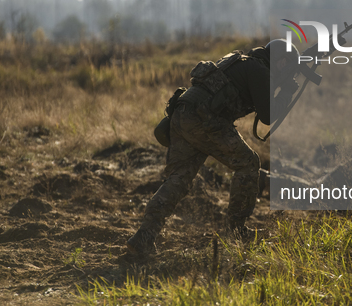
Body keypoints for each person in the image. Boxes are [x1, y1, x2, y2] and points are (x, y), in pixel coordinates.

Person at [127, 39, 299, 255]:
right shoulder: (259, 69)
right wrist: (286, 91)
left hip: (182, 117)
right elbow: (268, 115)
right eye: (288, 68)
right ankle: (236, 232)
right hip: (205, 121)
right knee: (248, 164)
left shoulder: (240, 61)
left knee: (177, 179)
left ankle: (144, 236)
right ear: (281, 63)